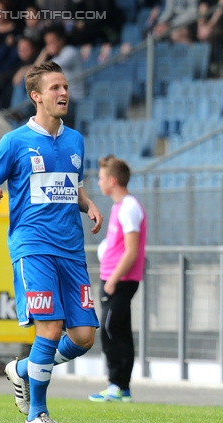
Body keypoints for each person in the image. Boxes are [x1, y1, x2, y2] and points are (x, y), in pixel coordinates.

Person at [0, 61, 103, 423]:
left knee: (82, 337)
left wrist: (88, 203)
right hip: (33, 245)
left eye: (65, 87)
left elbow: (69, 186)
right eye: (55, 88)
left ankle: (21, 369)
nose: (64, 93)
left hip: (71, 249)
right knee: (50, 327)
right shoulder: (14, 141)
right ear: (36, 97)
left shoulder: (75, 139)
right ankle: (38, 412)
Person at [88, 155, 147, 403]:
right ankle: (121, 387)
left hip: (120, 280)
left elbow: (132, 250)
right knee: (119, 328)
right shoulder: (119, 207)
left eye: (101, 178)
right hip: (113, 277)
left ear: (112, 180)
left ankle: (117, 384)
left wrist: (113, 279)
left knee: (111, 328)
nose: (99, 182)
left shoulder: (130, 206)